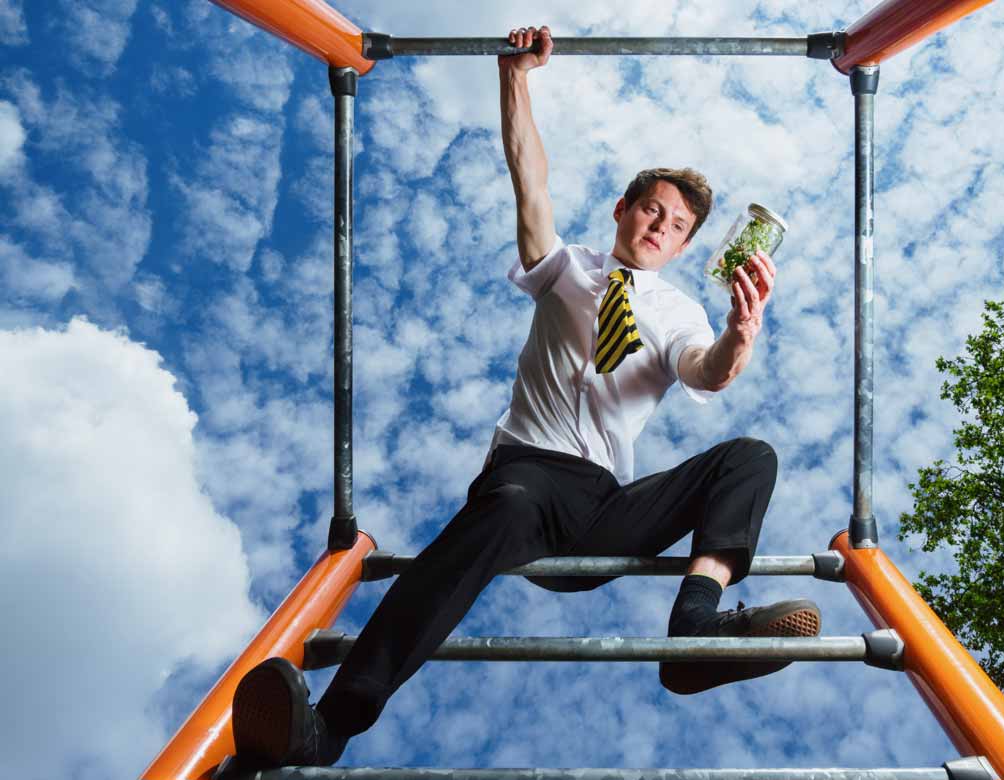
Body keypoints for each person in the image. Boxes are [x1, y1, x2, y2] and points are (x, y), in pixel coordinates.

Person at [229, 25, 820, 770]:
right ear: (623, 209)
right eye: (651, 211)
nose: (659, 228)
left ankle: (696, 630)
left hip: (607, 505)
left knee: (749, 457)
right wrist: (515, 77)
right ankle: (331, 727)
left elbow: (708, 371)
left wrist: (744, 329)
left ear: (682, 246)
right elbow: (529, 176)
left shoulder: (678, 313)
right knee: (505, 505)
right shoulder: (567, 266)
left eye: (675, 227)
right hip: (528, 478)